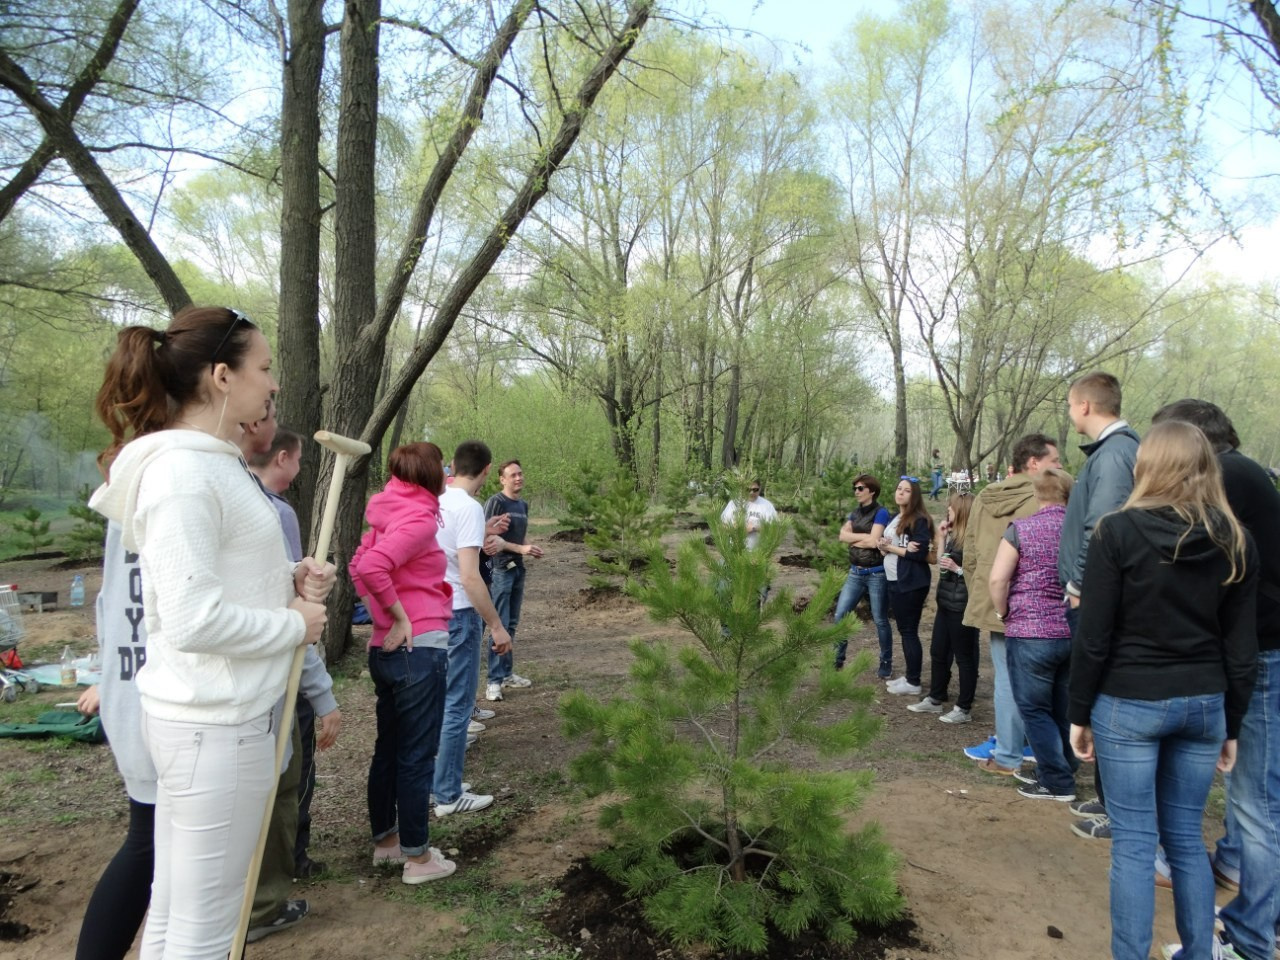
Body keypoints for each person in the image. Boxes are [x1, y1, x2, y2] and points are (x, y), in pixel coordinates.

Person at [89, 306, 332, 959]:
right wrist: (293, 624)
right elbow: (192, 618)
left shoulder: (213, 464)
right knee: (205, 933)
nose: (272, 383)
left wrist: (289, 574)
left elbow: (217, 575)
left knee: (174, 919)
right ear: (223, 377)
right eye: (263, 367)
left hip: (218, 723)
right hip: (214, 730)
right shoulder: (182, 474)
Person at [1068, 420, 1257, 960]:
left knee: (1133, 843)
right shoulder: (1234, 541)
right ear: (1205, 467)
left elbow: (1094, 637)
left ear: (1146, 465)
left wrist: (1078, 712)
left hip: (1129, 704)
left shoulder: (1115, 532)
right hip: (1203, 705)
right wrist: (1232, 725)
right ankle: (1199, 953)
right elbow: (1241, 652)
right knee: (1185, 840)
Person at [1151, 400, 1280, 960]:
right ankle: (1233, 866)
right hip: (1257, 646)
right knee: (1254, 792)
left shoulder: (1228, 476)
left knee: (1257, 800)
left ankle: (1254, 938)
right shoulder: (1247, 472)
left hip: (1261, 653)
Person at [241, 416, 341, 941]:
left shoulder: (251, 503)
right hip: (271, 682)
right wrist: (321, 693)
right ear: (280, 458)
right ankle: (260, 907)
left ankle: (259, 895)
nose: (299, 467)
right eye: (298, 458)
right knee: (280, 787)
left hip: (265, 678)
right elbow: (288, 614)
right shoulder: (268, 513)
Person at [351, 442, 457, 885]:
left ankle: (387, 843)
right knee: (416, 756)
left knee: (390, 750)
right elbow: (372, 566)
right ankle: (417, 859)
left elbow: (359, 568)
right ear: (433, 476)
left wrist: (382, 615)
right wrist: (400, 616)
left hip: (386, 651)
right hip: (418, 647)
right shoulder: (415, 517)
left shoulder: (387, 514)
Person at [1059, 371, 1141, 840]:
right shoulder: (1113, 452)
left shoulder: (1113, 456)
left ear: (1085, 406)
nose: (1071, 414)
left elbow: (1102, 528)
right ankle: (1108, 798)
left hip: (1096, 596)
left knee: (1103, 698)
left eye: (1071, 406)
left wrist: (1079, 584)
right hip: (1095, 594)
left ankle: (1118, 812)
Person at [961, 433, 1061, 775]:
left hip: (995, 597)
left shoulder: (984, 497)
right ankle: (1009, 753)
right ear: (1034, 463)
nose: (1059, 468)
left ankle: (1015, 747)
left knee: (1007, 677)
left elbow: (970, 551)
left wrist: (985, 597)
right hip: (1032, 605)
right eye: (1055, 462)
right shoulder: (1040, 497)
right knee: (1017, 680)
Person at [433, 441, 514, 818]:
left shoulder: (438, 500)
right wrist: (496, 625)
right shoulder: (466, 507)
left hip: (432, 612)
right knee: (458, 706)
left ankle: (440, 781)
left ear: (452, 465)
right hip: (460, 615)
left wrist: (483, 532)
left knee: (443, 702)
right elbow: (468, 576)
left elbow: (449, 551)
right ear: (487, 471)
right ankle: (447, 794)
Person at [988, 468, 1077, 801]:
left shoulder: (1021, 530)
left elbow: (998, 580)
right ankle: (1063, 767)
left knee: (1035, 709)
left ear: (1038, 495)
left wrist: (1003, 612)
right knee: (1063, 707)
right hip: (1071, 631)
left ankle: (1057, 781)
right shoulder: (1082, 531)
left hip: (1030, 632)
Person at [908, 491, 978, 723]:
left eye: (951, 507)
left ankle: (964, 708)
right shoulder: (954, 535)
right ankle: (936, 697)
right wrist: (941, 538)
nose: (947, 510)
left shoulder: (974, 538)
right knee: (938, 651)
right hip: (945, 601)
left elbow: (978, 574)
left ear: (961, 510)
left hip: (963, 604)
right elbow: (941, 562)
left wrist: (959, 569)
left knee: (964, 657)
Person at [484, 460, 543, 701]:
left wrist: (526, 551)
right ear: (502, 479)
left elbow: (518, 538)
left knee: (512, 624)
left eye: (520, 473)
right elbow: (488, 539)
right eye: (513, 475)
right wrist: (521, 548)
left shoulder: (523, 505)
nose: (518, 478)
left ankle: (506, 674)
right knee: (500, 624)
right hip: (500, 570)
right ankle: (493, 681)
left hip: (518, 569)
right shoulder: (496, 503)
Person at [880, 476, 934, 697]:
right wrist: (883, 546)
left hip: (911, 582)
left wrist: (893, 549)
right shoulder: (896, 517)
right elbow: (898, 548)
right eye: (899, 488)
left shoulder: (919, 520)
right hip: (895, 579)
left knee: (909, 631)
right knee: (904, 630)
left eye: (907, 490)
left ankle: (913, 681)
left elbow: (920, 553)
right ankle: (910, 676)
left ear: (915, 495)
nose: (900, 492)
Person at [833, 474, 893, 675]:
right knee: (840, 615)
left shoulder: (881, 512)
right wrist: (865, 538)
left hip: (876, 573)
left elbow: (875, 541)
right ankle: (837, 659)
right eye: (855, 488)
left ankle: (885, 663)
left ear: (872, 491)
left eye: (860, 488)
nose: (856, 492)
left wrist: (856, 539)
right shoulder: (854, 514)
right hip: (855, 572)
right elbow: (842, 536)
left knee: (880, 620)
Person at [720, 479, 779, 551]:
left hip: (757, 555)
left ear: (760, 488)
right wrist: (734, 528)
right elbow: (722, 525)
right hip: (734, 552)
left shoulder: (766, 505)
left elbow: (774, 528)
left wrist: (754, 528)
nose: (751, 492)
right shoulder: (734, 503)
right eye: (747, 489)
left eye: (755, 489)